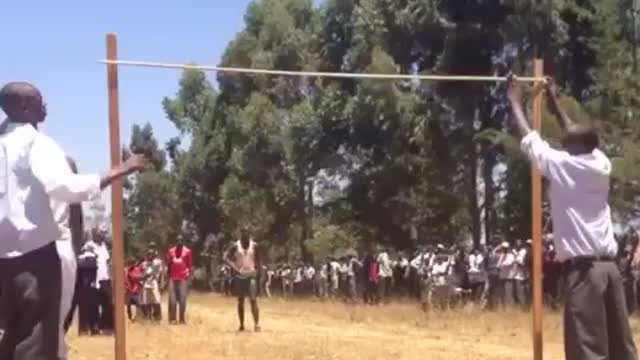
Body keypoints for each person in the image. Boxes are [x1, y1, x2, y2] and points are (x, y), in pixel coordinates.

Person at [0, 81, 148, 360]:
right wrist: (121, 170)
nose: (45, 107)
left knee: (7, 338)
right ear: (24, 107)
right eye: (39, 101)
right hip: (36, 260)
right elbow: (67, 188)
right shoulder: (36, 144)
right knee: (37, 342)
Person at [507, 74, 637, 360]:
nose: (563, 141)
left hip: (585, 273)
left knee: (587, 347)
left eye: (567, 142)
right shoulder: (599, 162)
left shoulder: (565, 166)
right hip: (609, 271)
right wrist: (553, 100)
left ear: (576, 149)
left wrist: (515, 102)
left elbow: (531, 141)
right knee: (620, 347)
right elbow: (573, 131)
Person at [225, 226, 261, 332]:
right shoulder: (236, 245)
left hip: (251, 275)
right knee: (240, 300)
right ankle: (241, 324)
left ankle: (257, 324)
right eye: (243, 233)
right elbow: (225, 257)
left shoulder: (254, 245)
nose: (245, 235)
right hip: (240, 276)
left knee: (253, 299)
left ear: (249, 234)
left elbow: (259, 260)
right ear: (241, 234)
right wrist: (235, 268)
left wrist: (258, 272)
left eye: (247, 233)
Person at [166, 238, 193, 324]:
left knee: (182, 300)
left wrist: (189, 279)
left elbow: (190, 266)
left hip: (183, 278)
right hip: (172, 278)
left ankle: (182, 319)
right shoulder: (171, 251)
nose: (179, 243)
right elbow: (168, 264)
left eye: (181, 241)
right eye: (178, 241)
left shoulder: (187, 251)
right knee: (173, 300)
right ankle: (172, 318)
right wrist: (167, 277)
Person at [141, 248, 163, 321]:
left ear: (154, 255)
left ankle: (157, 317)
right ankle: (149, 317)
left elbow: (160, 273)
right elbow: (141, 273)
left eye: (151, 254)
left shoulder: (157, 263)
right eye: (149, 254)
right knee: (147, 302)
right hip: (146, 284)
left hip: (154, 283)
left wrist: (161, 283)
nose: (150, 256)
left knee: (156, 301)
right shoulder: (144, 264)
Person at [125, 257, 143, 321]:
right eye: (130, 263)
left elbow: (140, 277)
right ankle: (130, 317)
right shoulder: (126, 270)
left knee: (138, 304)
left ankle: (138, 317)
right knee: (128, 305)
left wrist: (133, 277)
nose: (131, 264)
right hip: (128, 290)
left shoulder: (137, 269)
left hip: (135, 290)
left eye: (132, 263)